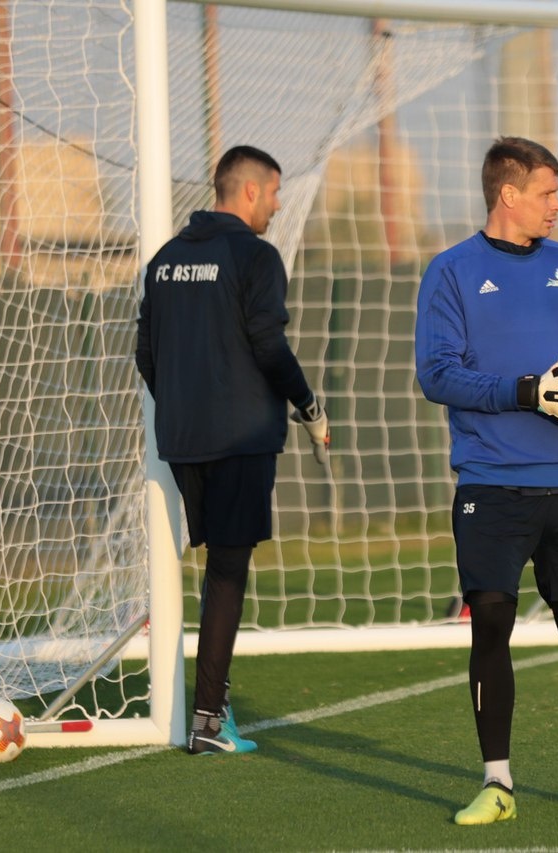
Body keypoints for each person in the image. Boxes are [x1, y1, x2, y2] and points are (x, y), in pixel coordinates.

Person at [415, 136, 558, 824]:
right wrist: (528, 390)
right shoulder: (451, 271)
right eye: (547, 192)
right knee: (491, 621)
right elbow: (438, 375)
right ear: (508, 194)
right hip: (490, 480)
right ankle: (497, 784)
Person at [136, 145, 329, 755]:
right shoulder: (255, 256)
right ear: (249, 191)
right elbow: (269, 346)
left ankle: (206, 707)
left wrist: (186, 405)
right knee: (226, 570)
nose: (277, 205)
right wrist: (309, 405)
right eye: (274, 192)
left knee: (214, 565)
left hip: (183, 438)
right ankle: (208, 721)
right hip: (241, 437)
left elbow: (146, 355)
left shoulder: (166, 259)